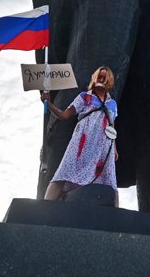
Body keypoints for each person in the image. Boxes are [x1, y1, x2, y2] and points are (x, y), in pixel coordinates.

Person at [40, 66, 119, 204]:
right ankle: (45, 208)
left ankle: (117, 216)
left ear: (109, 80)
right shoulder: (85, 97)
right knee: (65, 171)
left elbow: (112, 126)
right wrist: (49, 103)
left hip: (104, 144)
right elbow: (64, 115)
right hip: (83, 140)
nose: (101, 79)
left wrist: (115, 148)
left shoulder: (112, 104)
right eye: (99, 76)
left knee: (109, 178)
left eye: (104, 76)